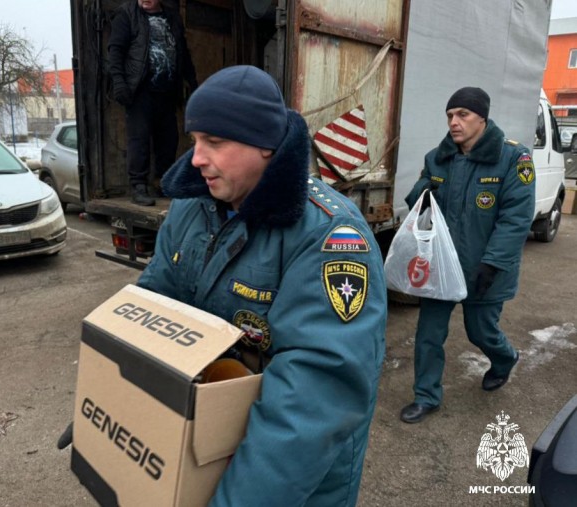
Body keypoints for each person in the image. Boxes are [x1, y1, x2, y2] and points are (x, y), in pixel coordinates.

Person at [137, 65, 387, 506]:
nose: (195, 158)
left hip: (291, 483)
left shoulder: (330, 238)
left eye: (214, 142)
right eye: (195, 140)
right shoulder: (193, 207)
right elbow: (154, 304)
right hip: (206, 444)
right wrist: (119, 391)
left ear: (266, 147)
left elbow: (311, 402)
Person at [400, 87, 535, 424]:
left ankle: (504, 359)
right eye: (450, 115)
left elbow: (516, 217)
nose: (454, 122)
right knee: (429, 334)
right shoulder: (438, 157)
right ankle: (426, 396)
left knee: (480, 332)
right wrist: (423, 191)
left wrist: (494, 263)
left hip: (484, 267)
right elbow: (418, 206)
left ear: (482, 119)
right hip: (442, 266)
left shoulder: (513, 159)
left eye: (462, 115)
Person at [107, 0, 197, 206]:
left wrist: (192, 82)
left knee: (169, 139)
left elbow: (182, 51)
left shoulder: (172, 16)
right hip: (140, 90)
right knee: (139, 140)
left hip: (167, 90)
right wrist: (119, 83)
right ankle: (138, 186)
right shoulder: (127, 14)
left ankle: (163, 183)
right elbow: (115, 52)